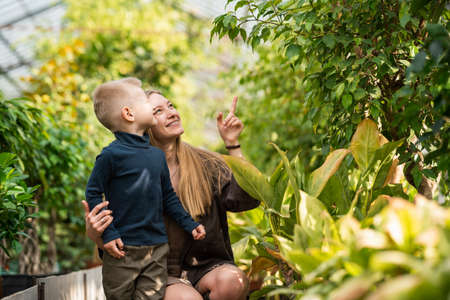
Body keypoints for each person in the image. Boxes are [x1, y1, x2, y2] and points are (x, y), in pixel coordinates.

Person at [83, 91, 260, 300]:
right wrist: (98, 235)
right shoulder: (127, 172)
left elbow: (248, 199)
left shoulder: (207, 163)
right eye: (158, 111)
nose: (172, 113)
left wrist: (232, 144)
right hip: (157, 271)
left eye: (171, 106)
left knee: (232, 281)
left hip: (207, 266)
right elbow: (118, 237)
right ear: (142, 123)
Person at [86, 78, 206, 300]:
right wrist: (108, 232)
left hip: (156, 249)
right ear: (129, 114)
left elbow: (168, 197)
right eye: (144, 101)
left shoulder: (155, 156)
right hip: (122, 249)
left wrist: (190, 224)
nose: (151, 106)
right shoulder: (110, 156)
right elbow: (93, 193)